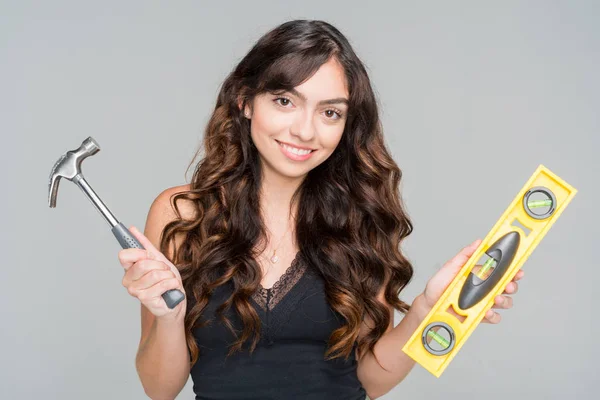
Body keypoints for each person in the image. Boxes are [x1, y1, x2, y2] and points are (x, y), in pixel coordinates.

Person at [118, 19, 523, 400]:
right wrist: (169, 317)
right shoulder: (182, 214)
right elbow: (160, 388)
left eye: (330, 112)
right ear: (245, 101)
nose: (305, 130)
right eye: (284, 101)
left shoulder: (359, 219)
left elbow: (372, 379)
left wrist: (426, 310)